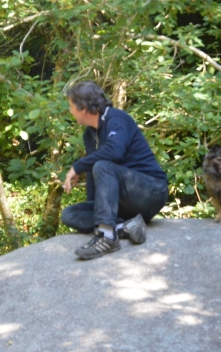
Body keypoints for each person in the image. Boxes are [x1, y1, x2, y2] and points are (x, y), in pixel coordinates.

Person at [61, 81, 169, 260]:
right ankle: (126, 227)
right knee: (70, 214)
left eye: (72, 106)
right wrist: (97, 209)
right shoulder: (89, 134)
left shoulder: (117, 119)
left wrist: (77, 166)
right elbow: (93, 176)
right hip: (123, 205)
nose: (70, 111)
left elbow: (114, 152)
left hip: (151, 191)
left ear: (84, 108)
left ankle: (107, 237)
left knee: (102, 165)